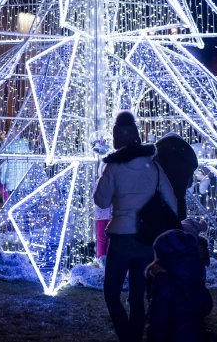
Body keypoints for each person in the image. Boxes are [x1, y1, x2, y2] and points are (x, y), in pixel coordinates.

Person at [94, 110, 176, 342]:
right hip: (146, 239)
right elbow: (172, 202)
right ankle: (134, 336)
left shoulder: (113, 167)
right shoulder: (154, 167)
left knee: (112, 293)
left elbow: (100, 200)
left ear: (119, 135)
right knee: (137, 296)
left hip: (121, 237)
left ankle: (127, 337)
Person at [144, 229, 212, 342]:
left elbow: (158, 318)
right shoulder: (196, 270)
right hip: (195, 335)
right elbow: (206, 306)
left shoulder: (163, 278)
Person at [154, 132, 198, 219]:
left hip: (158, 202)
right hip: (178, 201)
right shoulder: (187, 157)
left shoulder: (158, 154)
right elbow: (189, 184)